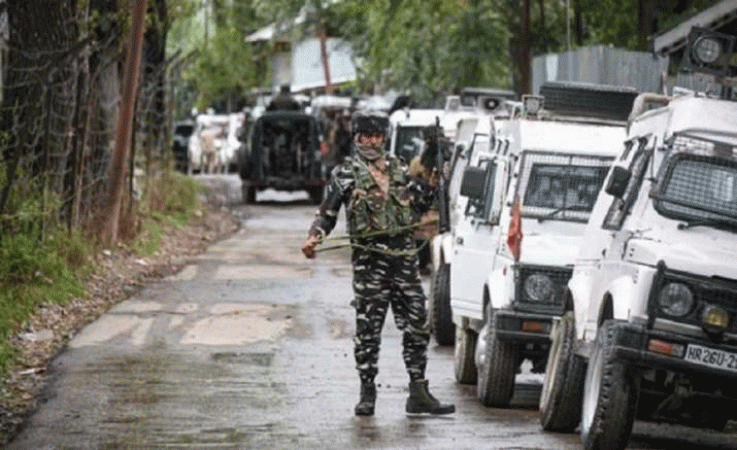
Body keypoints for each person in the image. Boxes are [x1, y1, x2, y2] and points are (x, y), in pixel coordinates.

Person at [301, 110, 455, 417]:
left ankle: (418, 391)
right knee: (368, 331)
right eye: (366, 137)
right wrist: (314, 237)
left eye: (377, 137)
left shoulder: (400, 168)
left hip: (404, 263)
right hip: (370, 266)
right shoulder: (345, 173)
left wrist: (437, 178)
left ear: (384, 139)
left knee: (417, 326)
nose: (372, 142)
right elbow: (327, 213)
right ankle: (367, 392)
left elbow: (422, 202)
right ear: (357, 138)